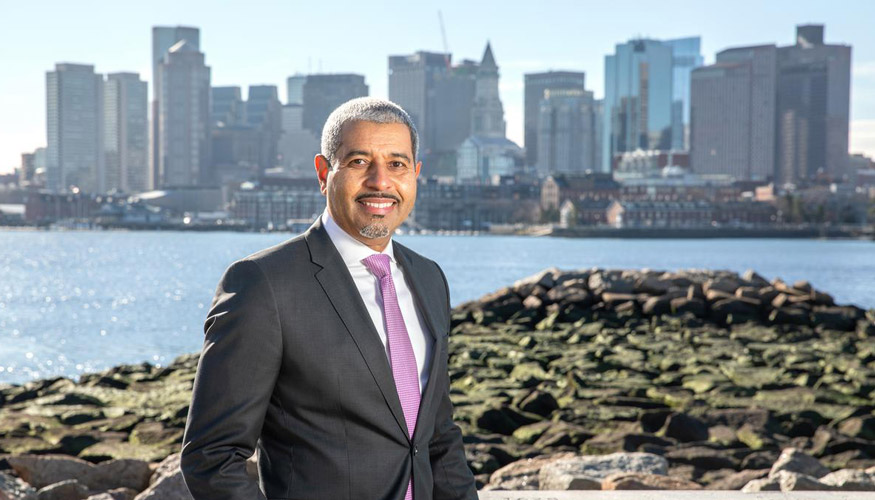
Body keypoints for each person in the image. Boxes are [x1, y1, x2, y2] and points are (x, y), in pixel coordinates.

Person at [180, 97, 478, 500]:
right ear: (324, 173)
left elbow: (437, 435)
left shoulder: (429, 279)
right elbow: (211, 457)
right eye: (359, 162)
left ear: (415, 174)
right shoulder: (263, 284)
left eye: (397, 164)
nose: (380, 181)